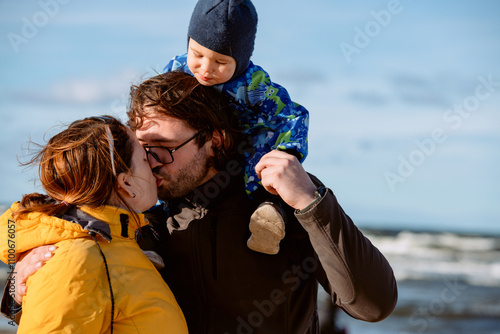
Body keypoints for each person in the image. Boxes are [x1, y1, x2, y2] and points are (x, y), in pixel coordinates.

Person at [5, 72, 397, 333]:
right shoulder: (143, 222)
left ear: (214, 140)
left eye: (165, 148)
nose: (152, 163)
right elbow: (78, 299)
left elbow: (373, 305)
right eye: (144, 151)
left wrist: (312, 204)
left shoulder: (278, 202)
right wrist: (15, 289)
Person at [0, 116, 188, 333]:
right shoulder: (78, 260)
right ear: (125, 183)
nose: (154, 162)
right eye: (144, 158)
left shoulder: (119, 243)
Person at [163, 0, 310, 255]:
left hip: (245, 146)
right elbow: (154, 103)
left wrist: (287, 154)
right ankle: (151, 237)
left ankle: (269, 216)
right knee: (160, 181)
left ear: (241, 60)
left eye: (221, 61)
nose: (206, 69)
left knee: (264, 177)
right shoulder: (177, 70)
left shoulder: (254, 84)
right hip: (199, 146)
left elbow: (293, 115)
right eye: (197, 54)